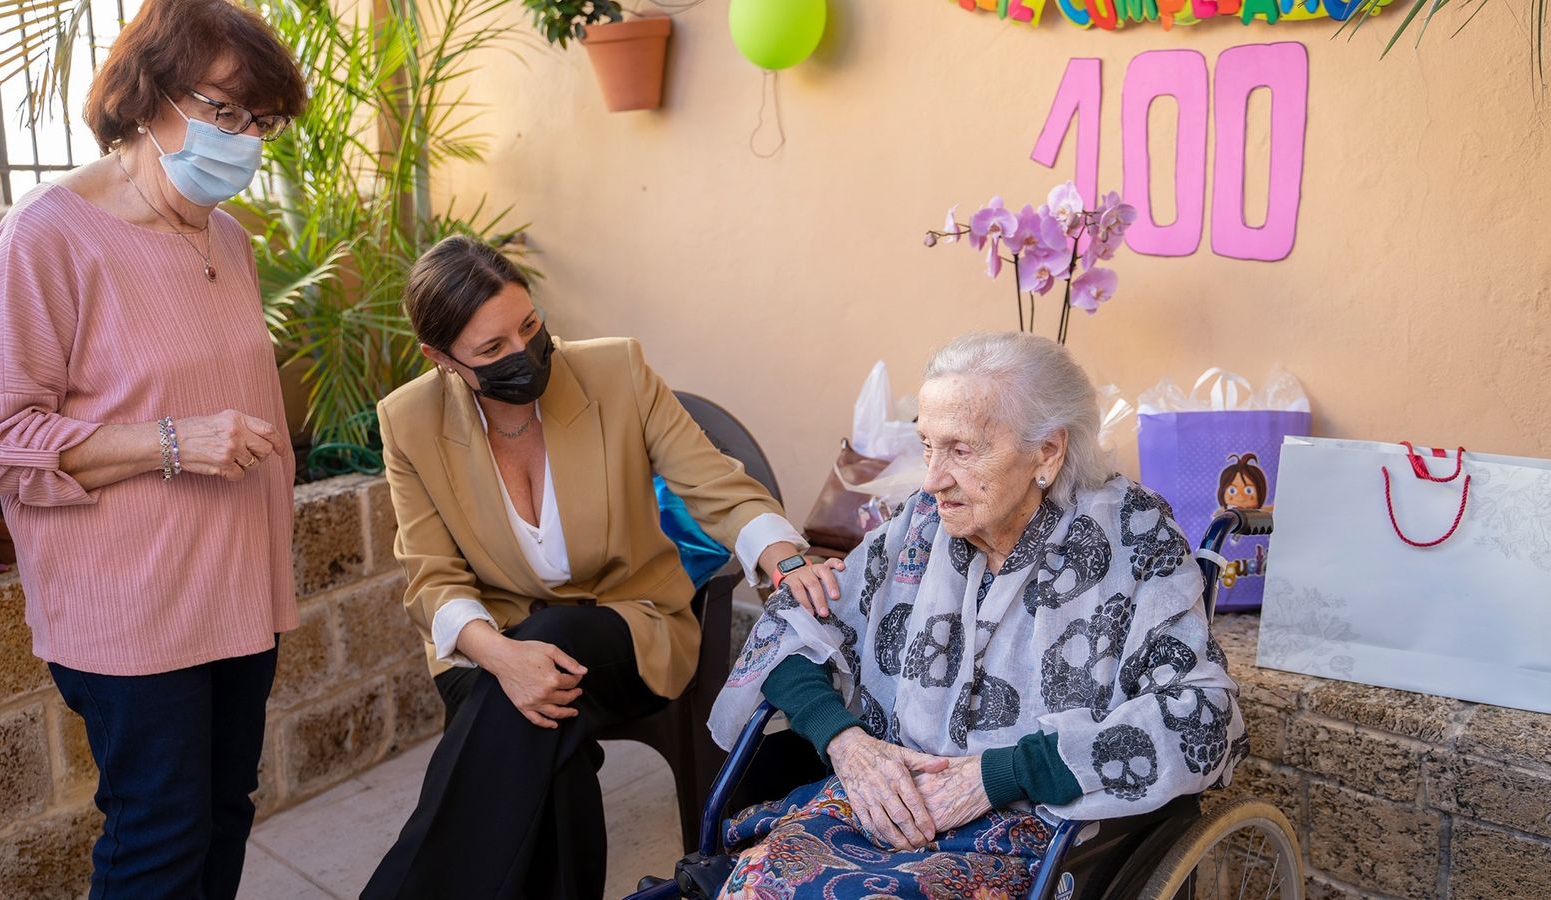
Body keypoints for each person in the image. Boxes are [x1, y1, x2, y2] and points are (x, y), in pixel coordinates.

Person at [0, 1, 307, 896]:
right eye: (224, 110)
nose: (245, 137)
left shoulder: (224, 232)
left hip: (237, 590)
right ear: (149, 97)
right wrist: (172, 443)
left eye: (259, 120)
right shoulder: (50, 234)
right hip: (133, 610)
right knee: (161, 833)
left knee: (226, 809)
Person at [361, 235, 836, 899]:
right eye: (491, 350)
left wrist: (784, 559)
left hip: (626, 629)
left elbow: (714, 486)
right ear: (440, 359)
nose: (521, 354)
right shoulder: (408, 422)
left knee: (549, 653)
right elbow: (431, 576)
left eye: (528, 326)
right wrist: (500, 656)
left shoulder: (615, 372)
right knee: (551, 749)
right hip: (485, 644)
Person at [708, 331, 1248, 898]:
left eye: (961, 450)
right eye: (926, 446)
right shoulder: (921, 524)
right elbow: (788, 630)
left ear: (1047, 451)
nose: (933, 478)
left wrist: (1000, 774)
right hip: (885, 802)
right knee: (758, 882)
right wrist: (847, 743)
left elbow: (1202, 714)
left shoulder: (1130, 535)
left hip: (1036, 829)